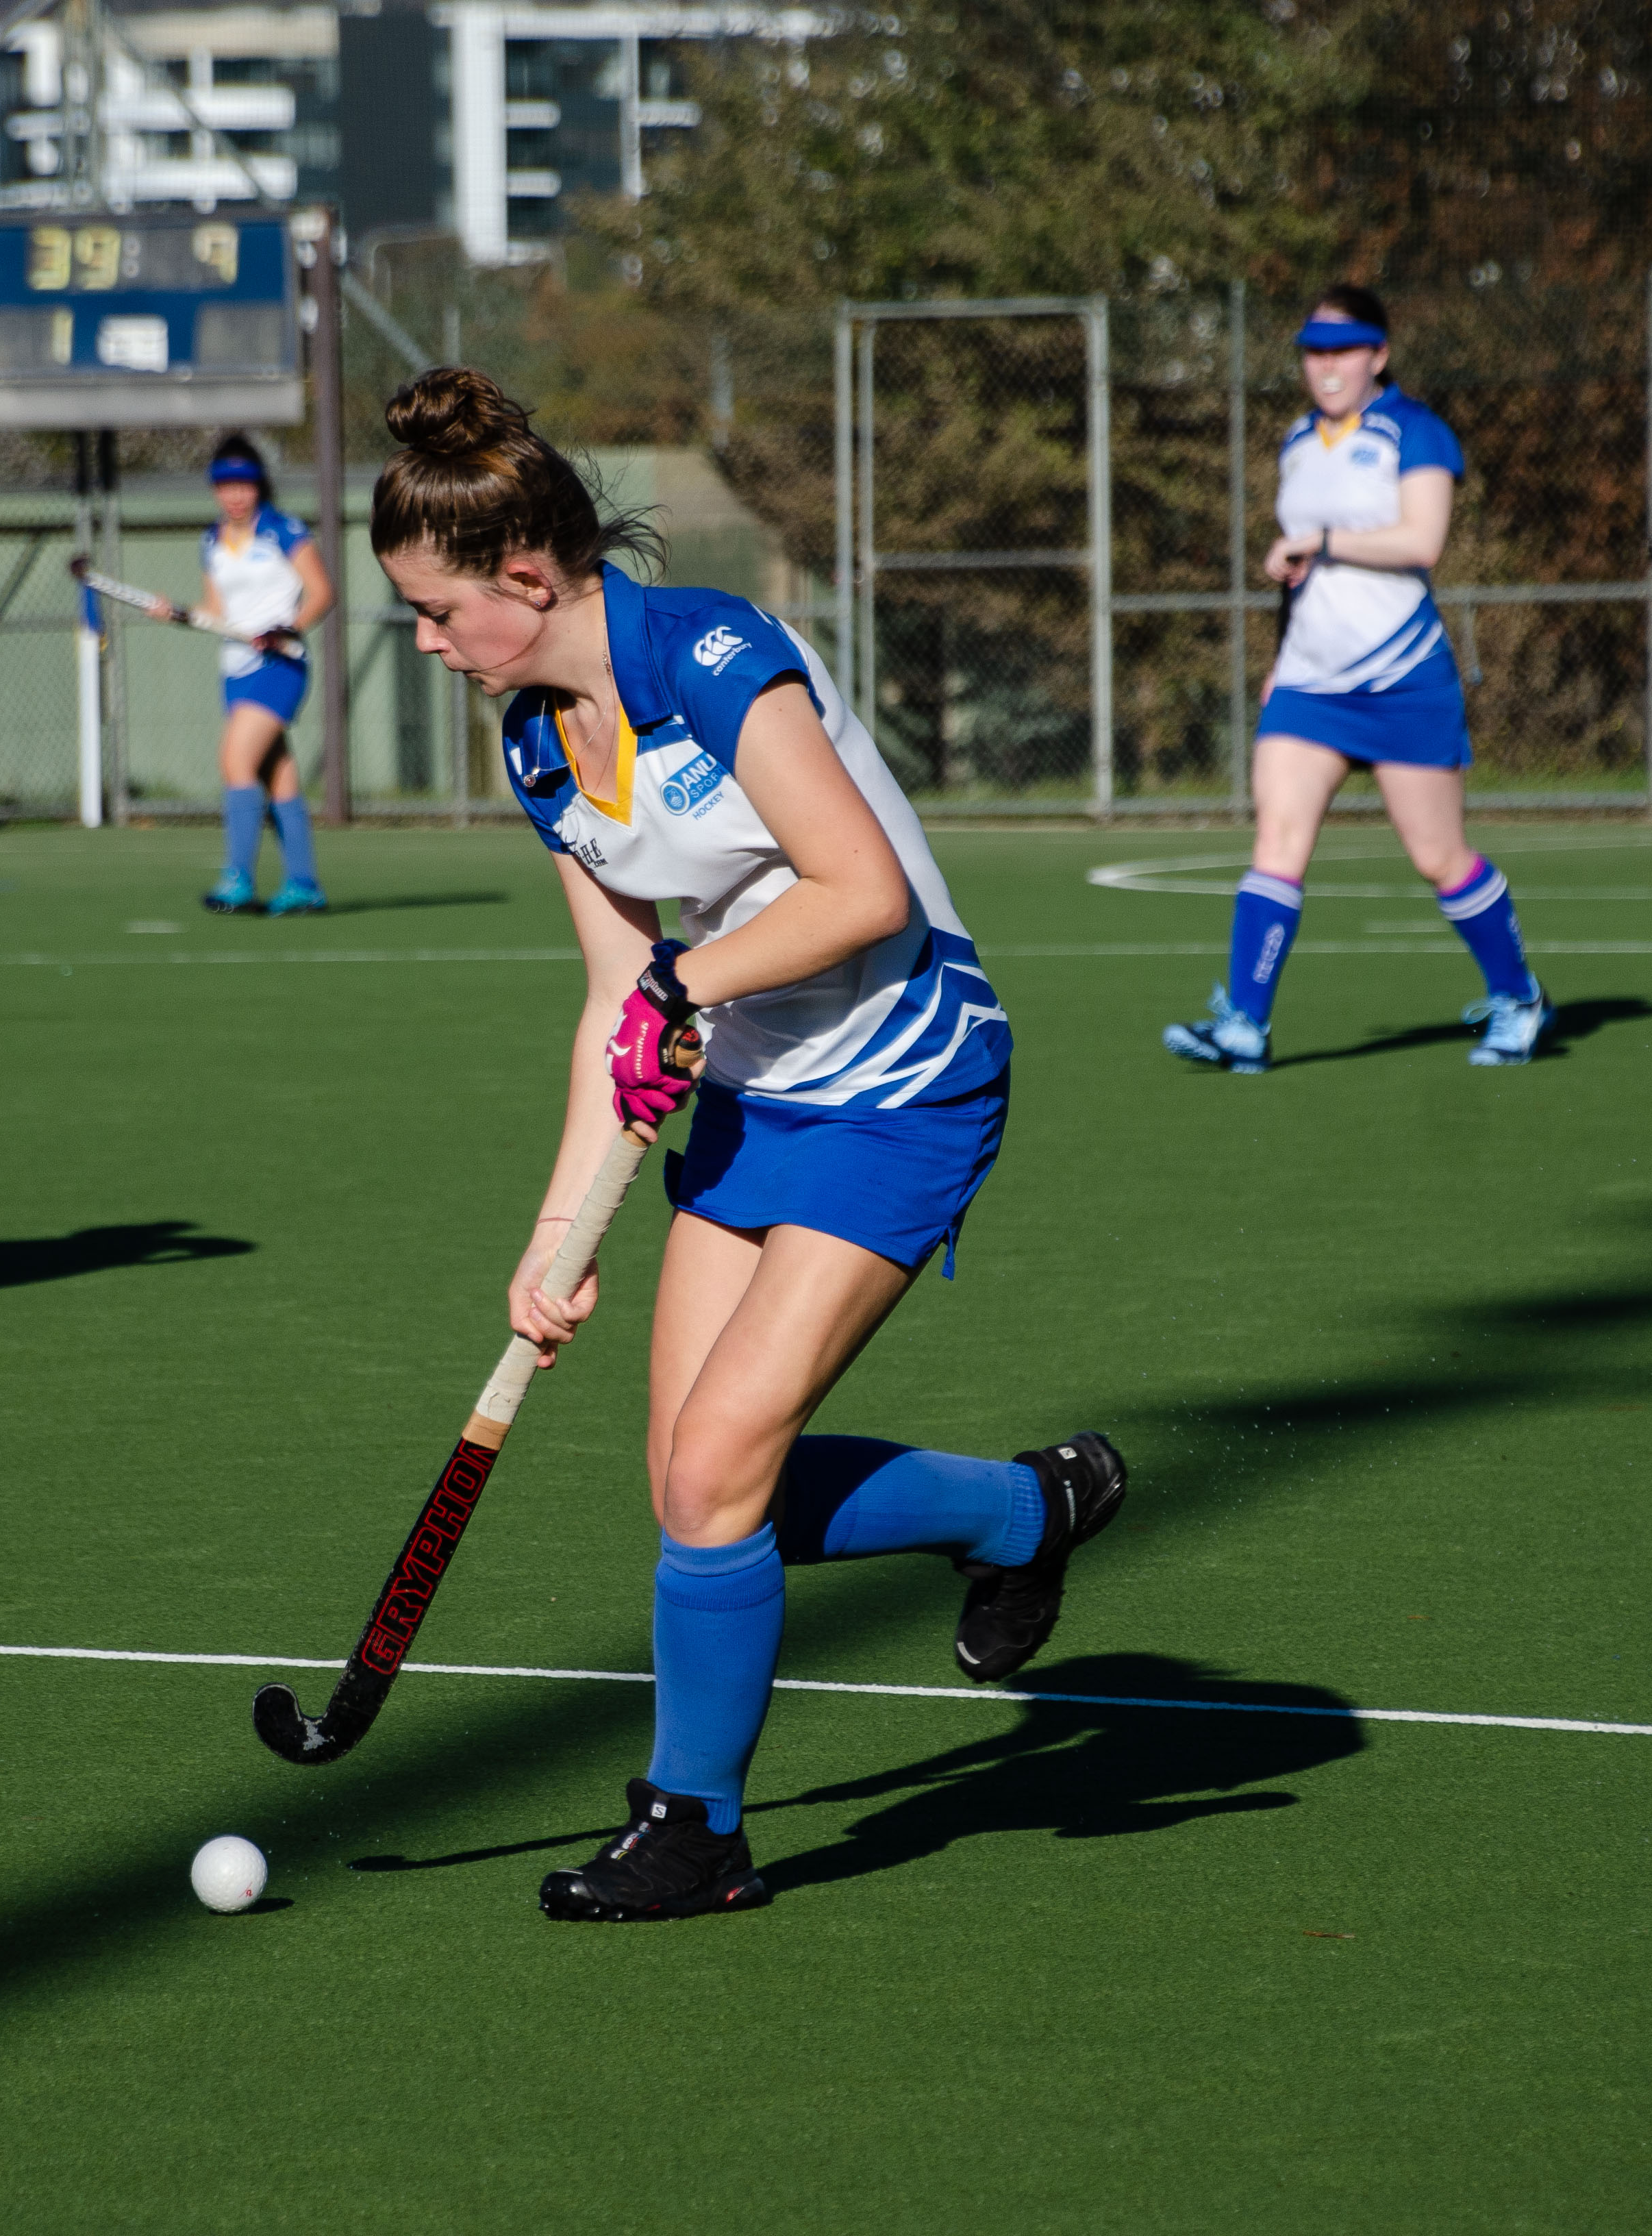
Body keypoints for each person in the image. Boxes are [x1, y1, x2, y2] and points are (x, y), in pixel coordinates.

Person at [371, 367, 1126, 1924]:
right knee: (695, 1488)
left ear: (527, 576)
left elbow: (865, 892)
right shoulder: (534, 745)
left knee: (719, 1465)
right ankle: (1024, 1511)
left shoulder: (716, 659)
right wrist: (551, 1237)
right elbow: (612, 998)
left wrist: (687, 983)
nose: (431, 646)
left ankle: (694, 1828)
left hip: (909, 1071)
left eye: (439, 614)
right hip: (758, 1090)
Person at [1162, 285, 1547, 1074]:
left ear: (1379, 355)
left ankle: (1518, 999)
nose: (1326, 365)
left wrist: (1324, 539)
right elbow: (1304, 571)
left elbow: (1422, 541)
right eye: (1313, 350)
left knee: (1440, 858)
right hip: (1309, 684)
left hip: (1402, 678)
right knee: (1276, 843)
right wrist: (1278, 662)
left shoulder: (1416, 432)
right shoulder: (1297, 442)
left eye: (1343, 349)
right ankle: (1243, 1025)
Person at [195, 434, 335, 915]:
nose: (235, 494)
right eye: (225, 485)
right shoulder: (210, 541)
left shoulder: (283, 531)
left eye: (245, 484)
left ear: (259, 486)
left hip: (279, 665)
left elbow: (321, 592)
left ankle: (238, 877)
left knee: (235, 762)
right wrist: (177, 613)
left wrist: (286, 628)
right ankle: (303, 884)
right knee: (279, 777)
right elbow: (216, 610)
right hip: (234, 670)